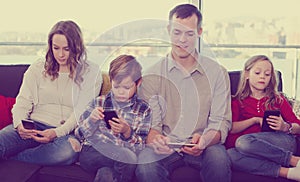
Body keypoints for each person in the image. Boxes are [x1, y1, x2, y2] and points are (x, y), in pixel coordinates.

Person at [135, 4, 232, 182]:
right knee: (146, 163)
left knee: (219, 159)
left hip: (205, 145)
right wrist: (156, 140)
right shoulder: (151, 75)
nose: (182, 40)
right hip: (166, 148)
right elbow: (151, 126)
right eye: (177, 32)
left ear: (199, 32)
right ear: (168, 30)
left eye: (189, 33)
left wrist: (204, 140)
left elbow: (221, 122)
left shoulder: (217, 72)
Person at [0, 20, 102, 165]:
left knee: (67, 153)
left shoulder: (91, 72)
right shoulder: (38, 68)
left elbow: (81, 112)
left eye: (66, 49)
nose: (61, 55)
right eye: (56, 48)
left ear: (77, 47)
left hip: (65, 133)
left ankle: (14, 159)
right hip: (33, 126)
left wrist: (56, 132)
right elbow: (22, 102)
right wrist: (19, 125)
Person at [76, 55, 151, 182]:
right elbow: (78, 134)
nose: (121, 92)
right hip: (93, 151)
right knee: (128, 158)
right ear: (111, 81)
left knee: (107, 173)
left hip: (122, 155)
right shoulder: (99, 102)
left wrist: (127, 132)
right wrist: (91, 121)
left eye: (127, 87)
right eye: (116, 86)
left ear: (138, 83)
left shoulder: (143, 109)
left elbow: (141, 147)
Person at [226, 55, 300, 181]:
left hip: (280, 142)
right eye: (258, 72)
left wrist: (285, 126)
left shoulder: (278, 99)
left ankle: (295, 161)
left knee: (242, 142)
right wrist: (254, 120)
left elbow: (298, 127)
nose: (262, 77)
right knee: (230, 155)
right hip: (250, 149)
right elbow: (231, 128)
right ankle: (288, 172)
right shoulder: (237, 101)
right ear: (247, 74)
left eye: (267, 74)